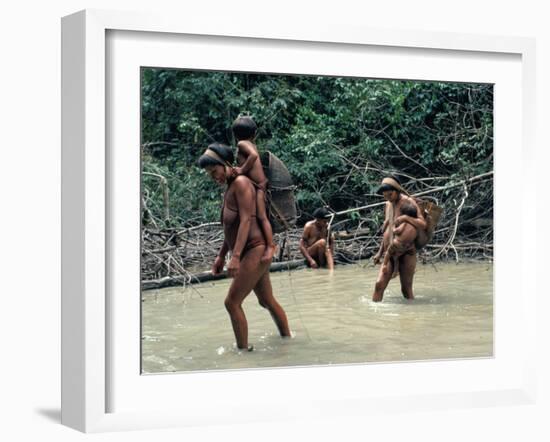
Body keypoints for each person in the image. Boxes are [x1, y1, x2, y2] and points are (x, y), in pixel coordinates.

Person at [198, 143, 291, 351]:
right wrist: (221, 256)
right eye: (209, 174)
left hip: (254, 249)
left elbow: (247, 220)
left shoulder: (241, 183)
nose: (214, 177)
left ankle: (243, 353)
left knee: (231, 302)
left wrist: (236, 257)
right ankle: (288, 339)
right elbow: (231, 228)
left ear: (226, 164)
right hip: (248, 251)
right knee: (266, 300)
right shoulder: (230, 188)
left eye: (215, 171)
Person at [372, 176, 426, 302]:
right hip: (390, 251)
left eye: (390, 195)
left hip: (407, 251)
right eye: (385, 195)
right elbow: (388, 230)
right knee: (379, 285)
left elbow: (422, 224)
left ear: (396, 190)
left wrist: (406, 218)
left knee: (406, 290)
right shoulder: (388, 204)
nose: (388, 198)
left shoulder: (408, 202)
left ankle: (410, 317)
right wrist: (379, 252)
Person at [231, 116, 276, 264]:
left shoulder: (243, 144)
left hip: (259, 185)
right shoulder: (249, 143)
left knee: (261, 217)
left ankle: (270, 246)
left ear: (235, 134)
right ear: (254, 133)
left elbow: (254, 156)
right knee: (256, 217)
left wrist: (241, 170)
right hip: (256, 185)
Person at [381, 201, 418, 279]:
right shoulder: (415, 225)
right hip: (407, 246)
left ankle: (384, 265)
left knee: (389, 253)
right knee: (396, 257)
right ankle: (396, 271)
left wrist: (393, 228)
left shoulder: (404, 223)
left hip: (397, 243)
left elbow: (397, 231)